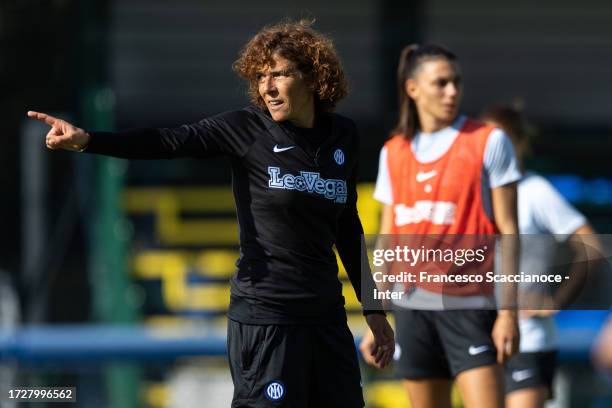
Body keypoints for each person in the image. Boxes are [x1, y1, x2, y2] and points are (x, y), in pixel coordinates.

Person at [28, 20, 394, 408]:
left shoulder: (343, 136)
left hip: (326, 319)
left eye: (279, 74)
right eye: (261, 76)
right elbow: (170, 140)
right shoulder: (246, 128)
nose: (267, 87)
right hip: (266, 318)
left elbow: (347, 225)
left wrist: (373, 309)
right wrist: (89, 141)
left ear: (312, 76)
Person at [359, 44, 520, 408]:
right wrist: (376, 315)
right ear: (413, 88)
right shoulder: (393, 152)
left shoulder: (489, 142)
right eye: (441, 83)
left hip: (470, 305)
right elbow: (388, 242)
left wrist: (508, 313)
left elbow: (510, 232)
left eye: (456, 82)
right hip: (412, 309)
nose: (452, 91)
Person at [481, 105, 602, 408]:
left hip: (528, 340)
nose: (494, 151)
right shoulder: (473, 196)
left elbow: (592, 246)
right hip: (477, 339)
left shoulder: (535, 191)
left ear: (520, 144)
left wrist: (556, 300)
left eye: (503, 141)